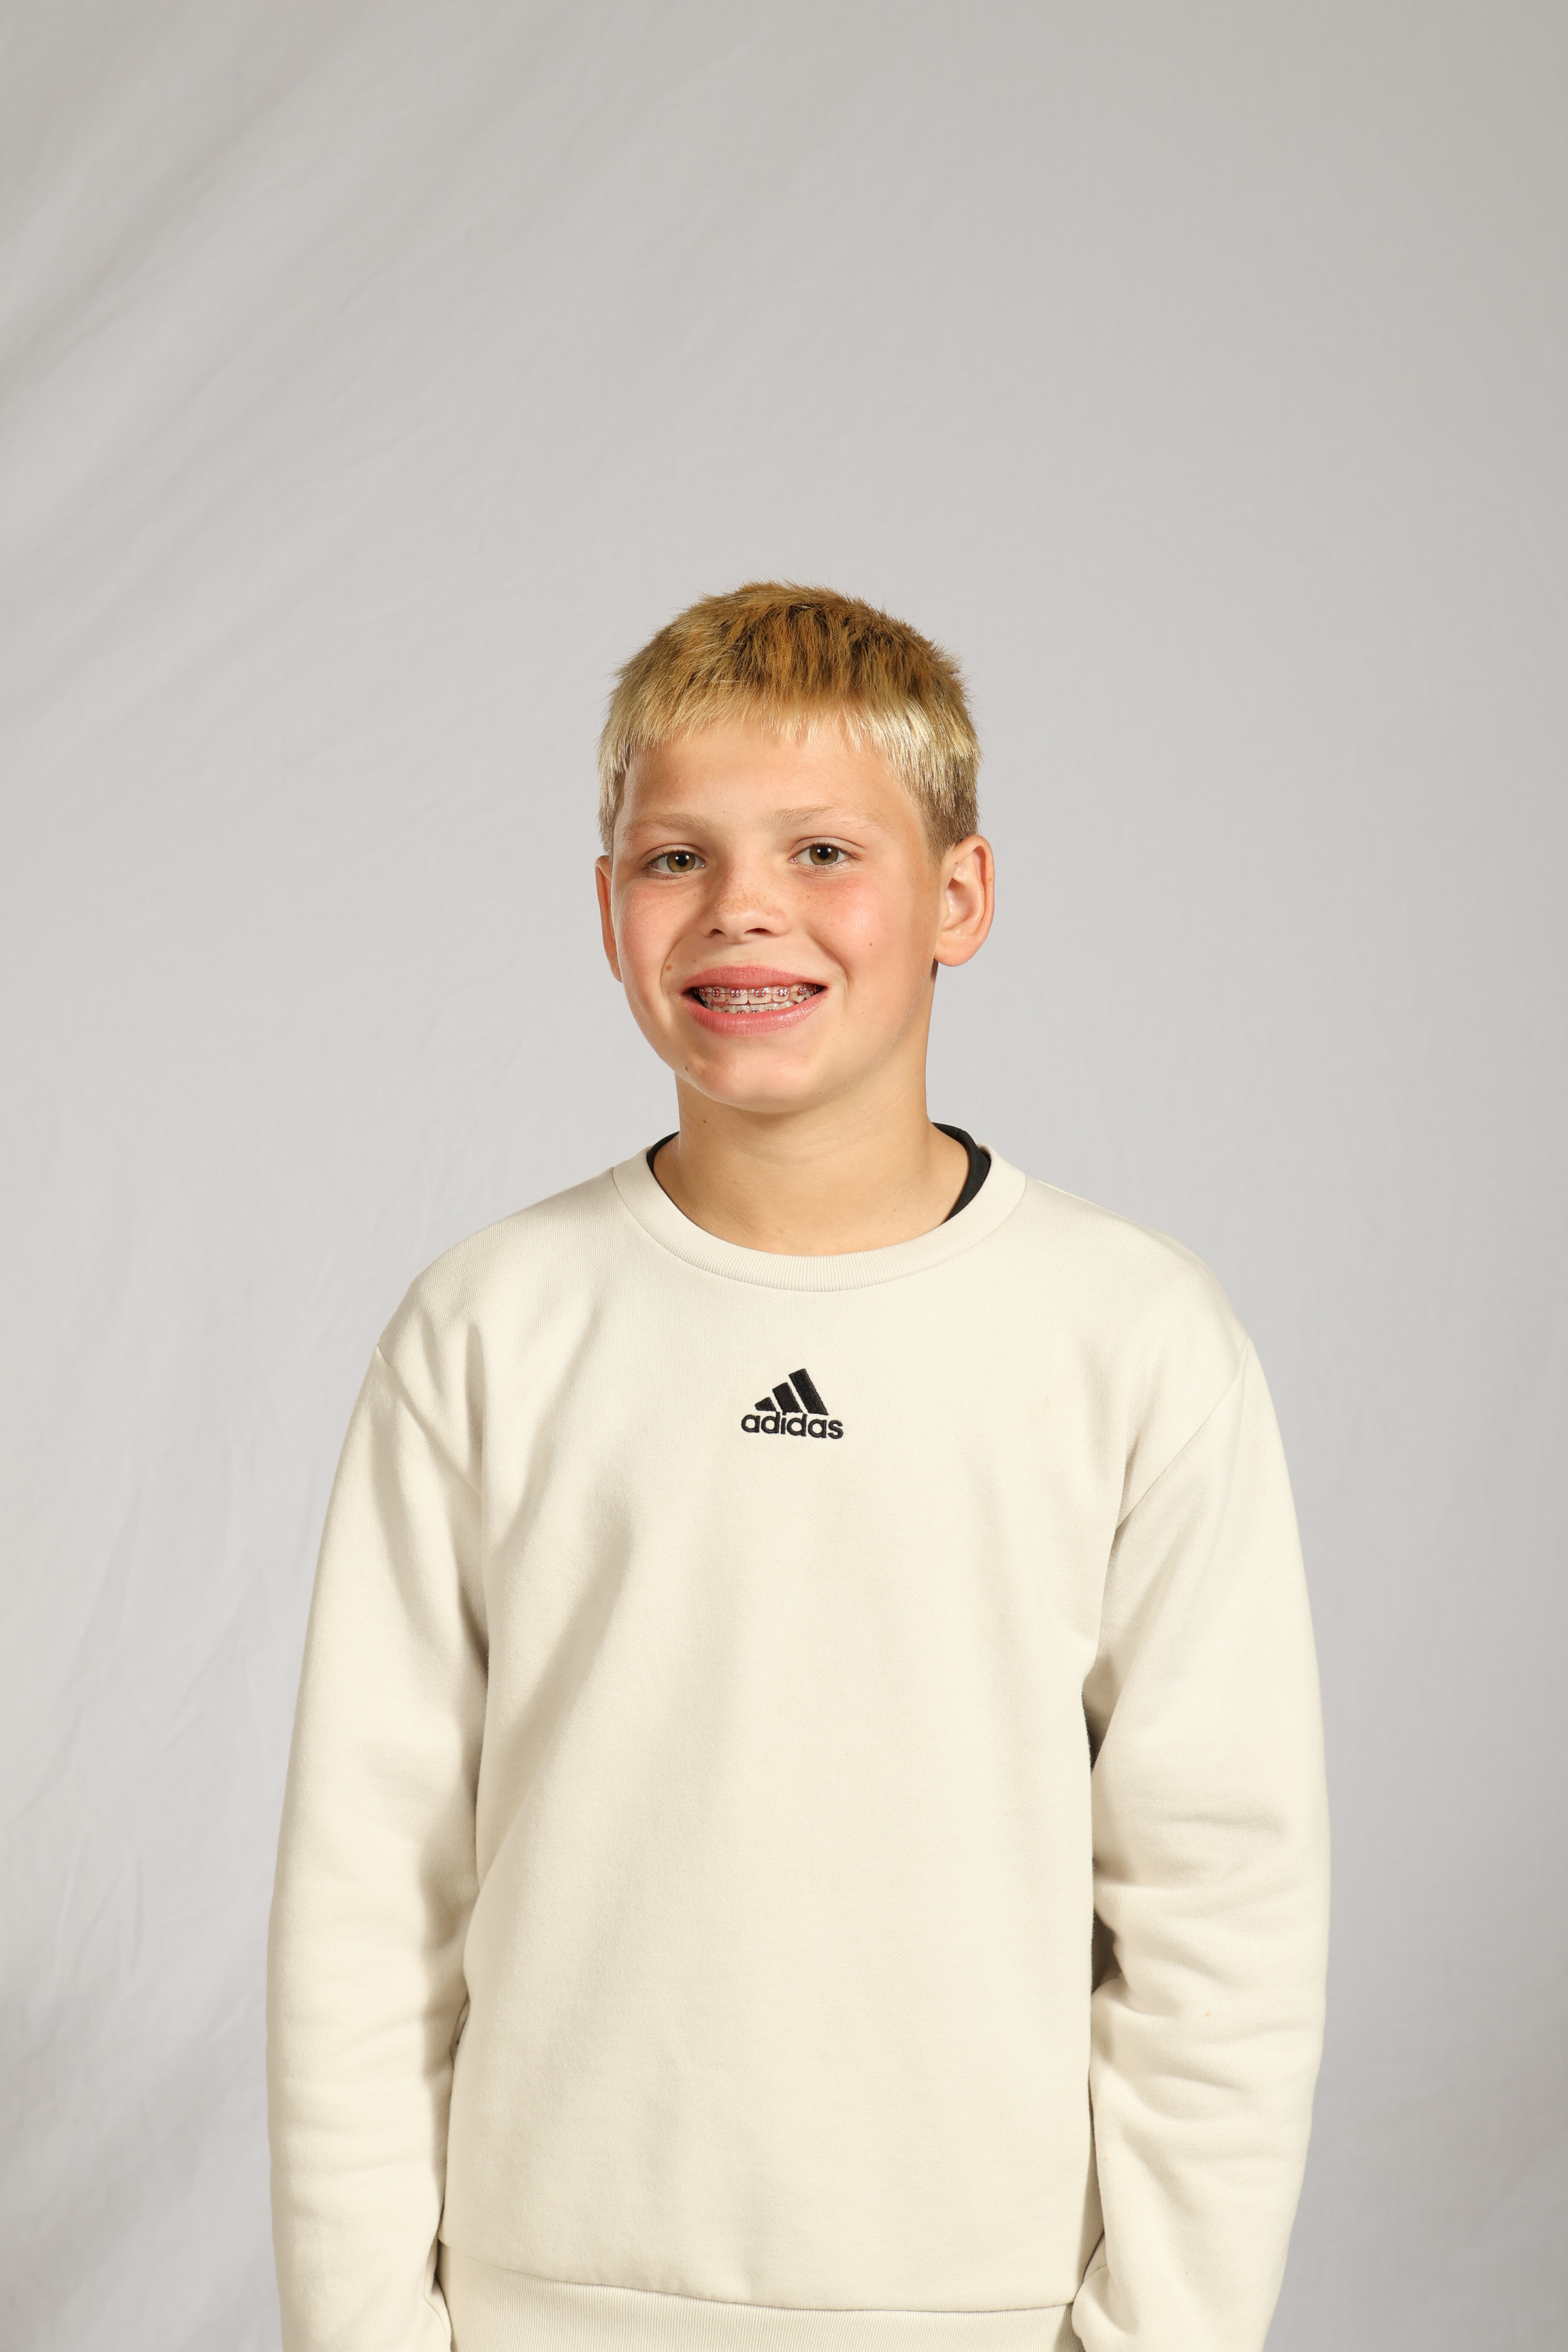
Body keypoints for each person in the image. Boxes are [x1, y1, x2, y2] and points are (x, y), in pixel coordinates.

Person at [267, 583, 1330, 2352]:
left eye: (823, 850)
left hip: (985, 2308)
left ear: (959, 898)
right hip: (540, 2307)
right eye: (675, 857)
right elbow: (366, 1898)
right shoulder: (487, 1328)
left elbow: (1222, 1912)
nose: (742, 907)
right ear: (607, 909)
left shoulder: (1134, 1337)